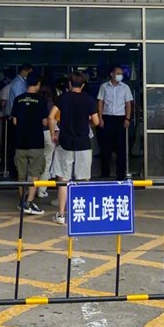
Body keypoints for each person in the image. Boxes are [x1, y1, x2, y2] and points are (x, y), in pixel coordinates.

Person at [48, 72, 100, 225]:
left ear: (69, 84)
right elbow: (96, 121)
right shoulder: (89, 100)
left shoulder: (62, 98)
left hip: (65, 143)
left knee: (63, 180)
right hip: (83, 144)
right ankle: (82, 213)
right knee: (83, 179)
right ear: (83, 85)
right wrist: (87, 122)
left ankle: (61, 214)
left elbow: (51, 117)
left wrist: (53, 134)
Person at [11, 72, 48, 216]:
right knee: (34, 173)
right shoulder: (41, 100)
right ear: (38, 84)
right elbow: (44, 121)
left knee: (21, 174)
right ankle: (29, 202)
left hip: (20, 141)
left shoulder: (18, 99)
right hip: (36, 142)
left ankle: (22, 201)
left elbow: (15, 121)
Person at [96, 65, 133, 180]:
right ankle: (105, 172)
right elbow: (100, 102)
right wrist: (100, 118)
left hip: (120, 119)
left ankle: (120, 174)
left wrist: (127, 118)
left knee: (121, 148)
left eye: (121, 73)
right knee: (105, 147)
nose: (120, 75)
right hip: (107, 118)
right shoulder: (104, 86)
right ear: (112, 74)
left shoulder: (125, 87)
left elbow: (128, 104)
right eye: (118, 73)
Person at [5, 63, 33, 177]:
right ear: (24, 71)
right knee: (15, 146)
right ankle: (14, 170)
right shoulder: (18, 84)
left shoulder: (21, 83)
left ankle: (16, 170)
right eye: (29, 72)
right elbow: (20, 102)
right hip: (16, 118)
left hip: (17, 117)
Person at [37, 84, 56, 199]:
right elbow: (51, 120)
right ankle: (42, 190)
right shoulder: (52, 105)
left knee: (34, 163)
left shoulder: (36, 104)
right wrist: (53, 134)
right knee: (47, 163)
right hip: (48, 134)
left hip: (35, 134)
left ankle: (30, 189)